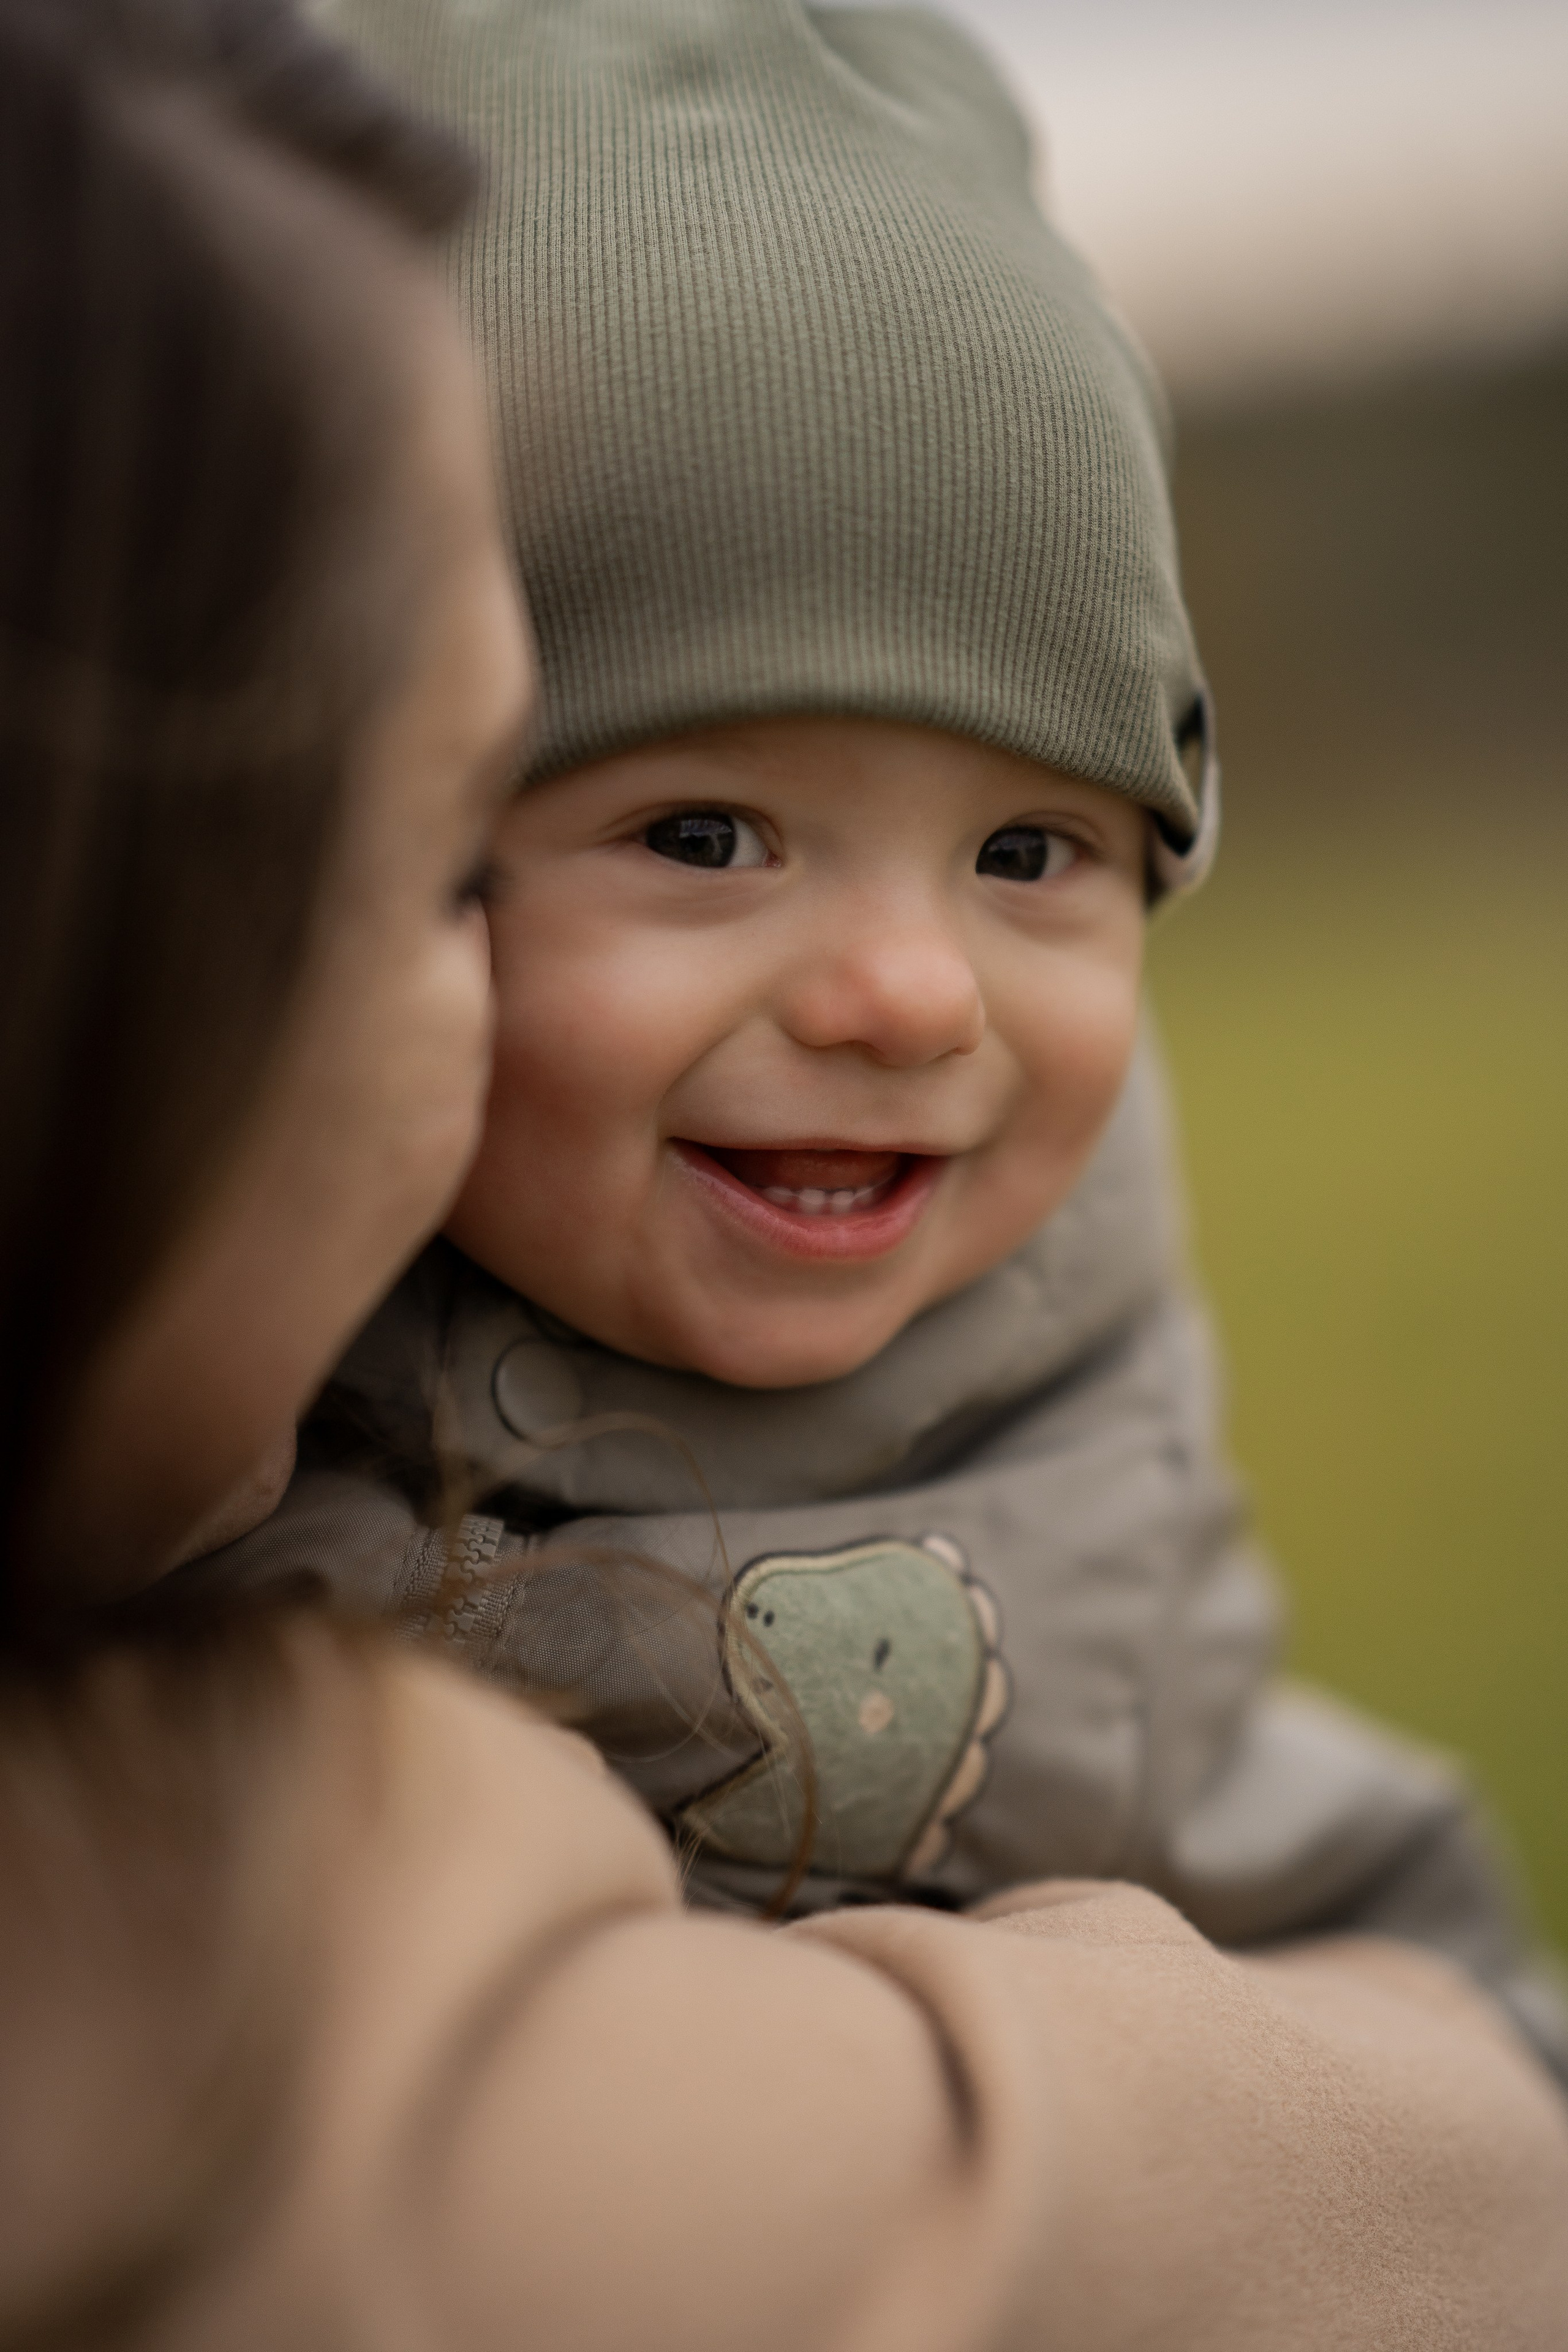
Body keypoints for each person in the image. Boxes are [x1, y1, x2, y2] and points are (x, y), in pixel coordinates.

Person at [6, 3, 1568, 2345]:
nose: (909, 997)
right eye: (703, 832)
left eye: (1035, 851)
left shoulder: (1056, 1399)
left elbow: (1394, 1959)